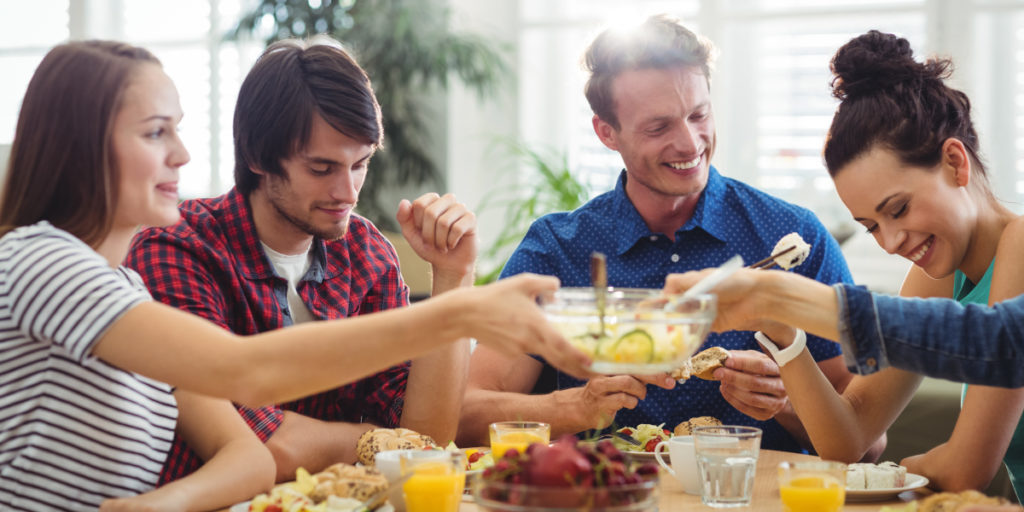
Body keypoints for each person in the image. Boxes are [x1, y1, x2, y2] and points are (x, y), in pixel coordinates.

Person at [0, 40, 587, 511]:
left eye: (359, 165)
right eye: (157, 132)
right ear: (82, 147)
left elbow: (412, 448)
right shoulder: (44, 262)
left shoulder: (120, 287)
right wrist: (452, 313)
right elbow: (245, 373)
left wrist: (453, 282)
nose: (182, 154)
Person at [458, 15, 866, 456]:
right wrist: (575, 406)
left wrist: (786, 401)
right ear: (606, 132)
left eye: (699, 115)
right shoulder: (558, 250)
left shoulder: (790, 239)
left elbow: (867, 444)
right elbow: (465, 416)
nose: (690, 144)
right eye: (659, 128)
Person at [123, 37, 520, 483]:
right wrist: (382, 441)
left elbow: (426, 436)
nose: (348, 193)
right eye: (321, 169)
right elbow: (258, 441)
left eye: (360, 164)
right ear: (258, 156)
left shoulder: (366, 254)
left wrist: (453, 277)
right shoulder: (177, 248)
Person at [675, 30, 1024, 497]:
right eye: (872, 226)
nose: (892, 242)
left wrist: (906, 468)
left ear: (955, 163)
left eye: (898, 209)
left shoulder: (1021, 243)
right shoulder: (936, 273)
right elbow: (847, 439)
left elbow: (965, 472)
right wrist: (782, 331)